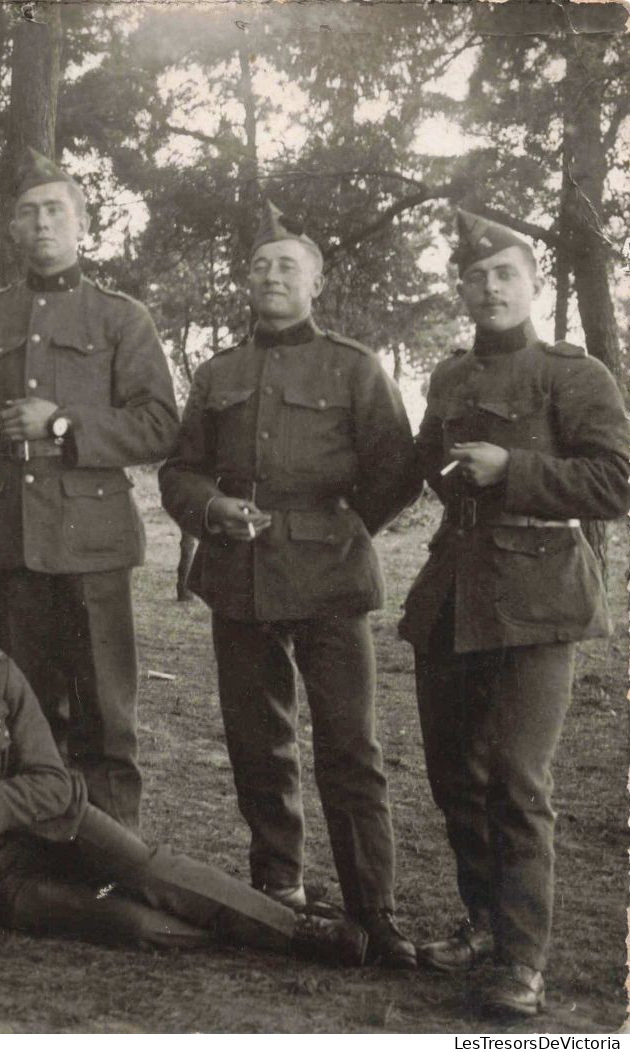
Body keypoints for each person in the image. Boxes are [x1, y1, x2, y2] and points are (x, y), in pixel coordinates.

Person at [0, 548, 367, 965]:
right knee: (136, 926)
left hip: (55, 827)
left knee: (151, 871)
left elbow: (52, 782)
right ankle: (256, 925)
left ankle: (301, 933)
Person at [157, 201, 420, 967]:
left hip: (331, 580)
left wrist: (339, 528)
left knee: (350, 747)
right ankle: (278, 890)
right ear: (246, 283)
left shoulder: (352, 366)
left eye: (287, 267)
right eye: (260, 266)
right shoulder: (218, 373)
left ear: (315, 284)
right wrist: (210, 508)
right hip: (237, 578)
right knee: (257, 741)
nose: (272, 277)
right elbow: (180, 469)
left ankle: (375, 908)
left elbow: (395, 471)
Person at [399, 210, 630, 1017]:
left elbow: (614, 483)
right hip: (452, 594)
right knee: (451, 775)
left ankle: (521, 961)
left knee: (517, 782)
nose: (490, 288)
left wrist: (513, 470)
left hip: (537, 602)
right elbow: (429, 459)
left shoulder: (575, 375)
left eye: (504, 274)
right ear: (459, 288)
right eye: (475, 276)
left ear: (531, 283)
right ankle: (482, 922)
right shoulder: (449, 377)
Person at [0, 148, 178, 832]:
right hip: (9, 538)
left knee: (104, 710)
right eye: (27, 213)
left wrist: (59, 421)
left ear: (81, 224)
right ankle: (31, 844)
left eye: (55, 210)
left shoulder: (120, 318)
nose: (42, 223)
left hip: (91, 544)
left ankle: (112, 854)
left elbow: (157, 425)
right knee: (19, 702)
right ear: (12, 232)